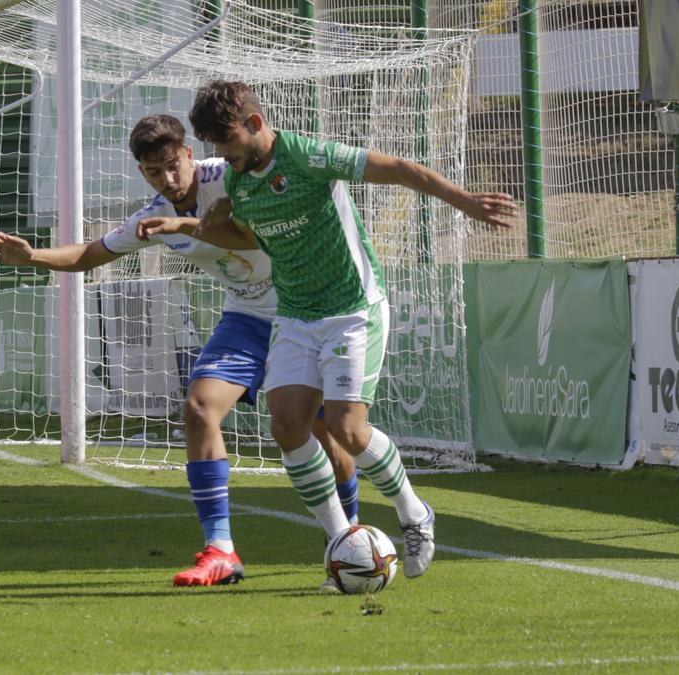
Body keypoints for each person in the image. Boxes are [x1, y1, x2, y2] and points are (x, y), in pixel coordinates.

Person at [148, 80, 516, 582]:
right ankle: (345, 543)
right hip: (295, 314)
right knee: (287, 427)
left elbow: (399, 169)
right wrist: (195, 224)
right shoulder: (237, 181)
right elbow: (239, 233)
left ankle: (414, 513)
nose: (222, 155)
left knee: (346, 428)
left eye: (227, 142)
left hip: (351, 308)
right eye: (214, 145)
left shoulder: (308, 155)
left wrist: (464, 201)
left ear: (255, 125)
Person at [0, 114, 360, 587]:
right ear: (143, 174)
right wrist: (32, 256)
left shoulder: (231, 174)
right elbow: (90, 254)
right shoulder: (152, 217)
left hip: (303, 311)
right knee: (200, 407)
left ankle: (348, 539)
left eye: (172, 165)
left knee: (328, 434)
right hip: (246, 320)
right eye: (153, 172)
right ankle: (221, 550)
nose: (168, 179)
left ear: (188, 154)